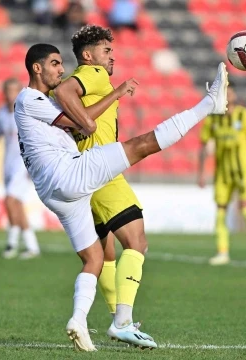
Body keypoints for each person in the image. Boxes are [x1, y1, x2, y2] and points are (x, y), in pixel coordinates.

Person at [14, 42, 228, 351]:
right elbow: (84, 124)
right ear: (37, 68)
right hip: (68, 174)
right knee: (142, 144)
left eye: (62, 63)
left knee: (95, 259)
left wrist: (87, 115)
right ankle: (210, 103)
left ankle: (78, 319)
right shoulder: (29, 98)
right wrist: (115, 94)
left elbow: (78, 122)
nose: (61, 69)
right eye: (55, 63)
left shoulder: (39, 101)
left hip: (55, 192)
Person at [51, 24, 150, 346]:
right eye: (107, 51)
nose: (112, 57)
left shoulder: (94, 78)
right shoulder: (93, 73)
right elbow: (63, 91)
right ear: (89, 54)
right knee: (137, 242)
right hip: (102, 170)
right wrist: (101, 109)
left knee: (106, 254)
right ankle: (122, 321)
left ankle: (117, 318)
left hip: (83, 173)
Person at [197, 83, 246, 266]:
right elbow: (204, 146)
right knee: (220, 212)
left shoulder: (245, 116)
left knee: (245, 207)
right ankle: (222, 251)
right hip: (222, 173)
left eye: (229, 92)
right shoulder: (213, 119)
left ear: (234, 95)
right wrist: (202, 173)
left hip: (244, 171)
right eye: (224, 93)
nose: (227, 96)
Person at [0, 78, 41, 260]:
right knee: (16, 205)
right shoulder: (2, 114)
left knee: (10, 201)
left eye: (14, 91)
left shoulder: (25, 113)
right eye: (8, 91)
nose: (11, 95)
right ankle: (30, 246)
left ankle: (12, 243)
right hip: (8, 164)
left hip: (23, 164)